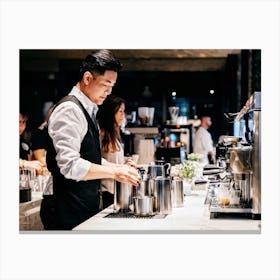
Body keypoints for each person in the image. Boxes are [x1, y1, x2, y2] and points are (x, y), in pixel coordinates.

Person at [41, 50, 140, 230]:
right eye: (105, 85)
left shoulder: (89, 108)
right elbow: (70, 165)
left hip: (80, 205)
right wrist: (115, 173)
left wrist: (118, 167)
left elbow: (88, 159)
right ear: (87, 78)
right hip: (64, 207)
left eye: (112, 86)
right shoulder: (69, 110)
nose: (109, 92)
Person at [97, 94, 136, 209]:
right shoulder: (101, 134)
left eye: (123, 112)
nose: (123, 116)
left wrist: (125, 165)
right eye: (120, 112)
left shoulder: (114, 134)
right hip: (106, 191)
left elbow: (113, 160)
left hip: (117, 189)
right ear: (111, 112)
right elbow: (97, 160)